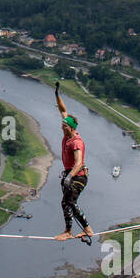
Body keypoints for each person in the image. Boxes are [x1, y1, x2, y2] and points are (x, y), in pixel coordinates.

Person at [53, 81, 94, 244]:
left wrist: (69, 177)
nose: (62, 127)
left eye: (64, 126)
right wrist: (57, 95)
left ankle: (70, 231)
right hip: (73, 175)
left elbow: (79, 162)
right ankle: (85, 229)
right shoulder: (68, 133)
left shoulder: (76, 142)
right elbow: (63, 110)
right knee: (70, 203)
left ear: (70, 128)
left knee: (67, 202)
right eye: (62, 125)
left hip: (78, 176)